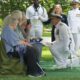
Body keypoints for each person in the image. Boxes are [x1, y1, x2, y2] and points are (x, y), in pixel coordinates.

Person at [1, 11, 44, 77]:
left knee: (32, 49)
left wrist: (24, 42)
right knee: (29, 49)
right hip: (12, 51)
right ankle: (33, 72)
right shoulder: (7, 30)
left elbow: (17, 40)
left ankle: (35, 70)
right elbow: (14, 43)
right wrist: (25, 43)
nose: (18, 22)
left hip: (15, 48)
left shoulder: (13, 29)